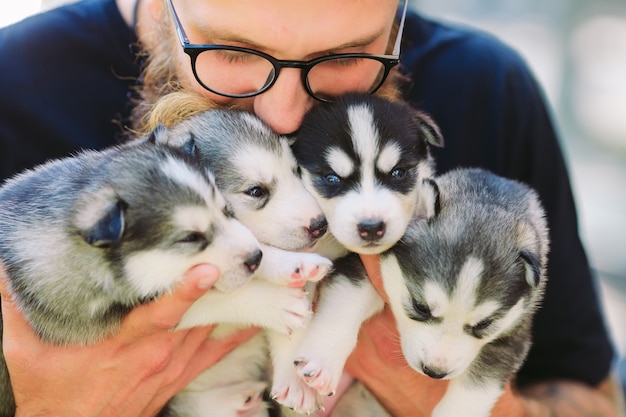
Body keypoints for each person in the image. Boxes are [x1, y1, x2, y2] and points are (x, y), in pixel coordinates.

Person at [0, 0, 623, 416]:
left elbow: (590, 393)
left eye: (344, 57)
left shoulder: (486, 87)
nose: (284, 115)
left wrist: (433, 381)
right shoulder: (14, 85)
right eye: (233, 52)